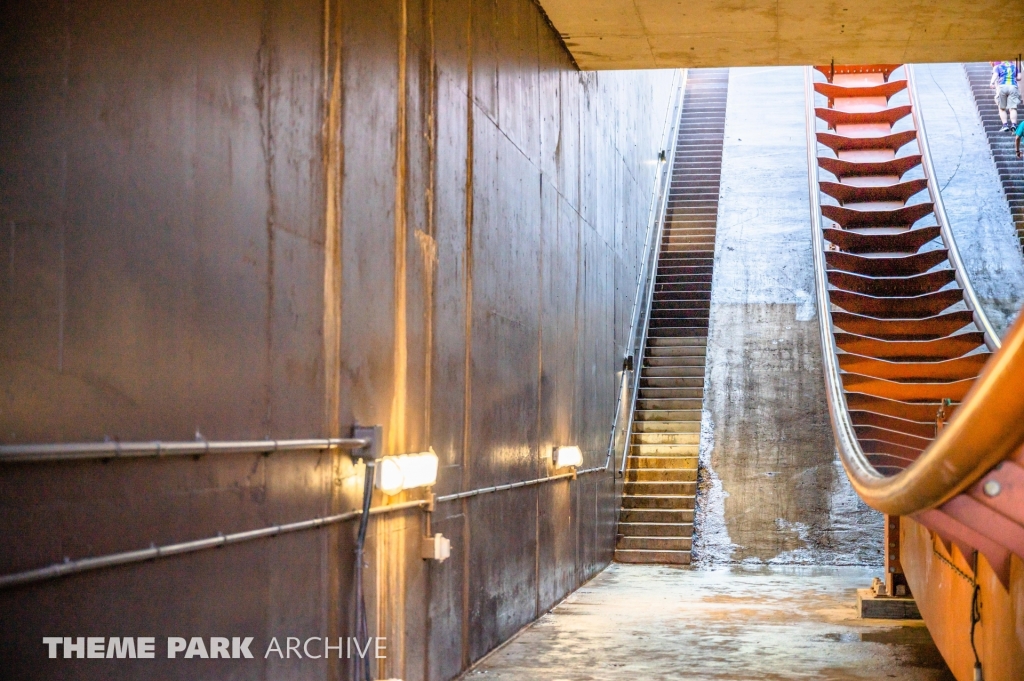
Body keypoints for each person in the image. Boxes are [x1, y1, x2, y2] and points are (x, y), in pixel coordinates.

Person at [991, 60, 1021, 132]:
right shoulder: (1015, 66)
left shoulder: (998, 66)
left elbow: (995, 75)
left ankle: (1005, 125)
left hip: (1002, 87)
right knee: (1013, 108)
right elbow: (1019, 77)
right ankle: (1014, 124)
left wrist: (991, 82)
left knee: (1002, 108)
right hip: (1013, 87)